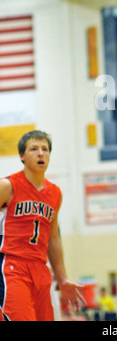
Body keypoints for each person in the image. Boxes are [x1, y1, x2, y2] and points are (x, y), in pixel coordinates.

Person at [0, 130, 85, 321]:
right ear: (21, 156)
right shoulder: (8, 186)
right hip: (13, 267)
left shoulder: (55, 193)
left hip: (41, 270)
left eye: (45, 149)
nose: (41, 153)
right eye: (34, 149)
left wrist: (62, 279)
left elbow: (53, 238)